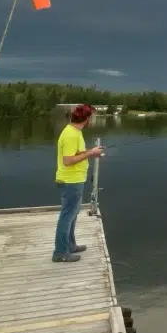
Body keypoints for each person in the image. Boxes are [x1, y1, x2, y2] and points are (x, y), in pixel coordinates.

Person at [54, 103, 104, 262]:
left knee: (72, 215)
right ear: (86, 118)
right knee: (67, 216)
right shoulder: (71, 134)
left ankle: (70, 245)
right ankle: (60, 253)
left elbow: (75, 154)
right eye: (92, 117)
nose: (92, 120)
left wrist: (91, 153)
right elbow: (68, 161)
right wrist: (90, 152)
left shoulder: (75, 132)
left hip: (75, 180)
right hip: (70, 181)